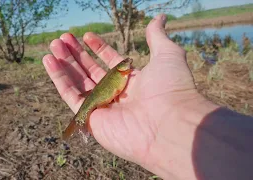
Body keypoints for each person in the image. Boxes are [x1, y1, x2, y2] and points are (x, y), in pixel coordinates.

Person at [42, 14, 253, 180]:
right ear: (121, 68)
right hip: (99, 98)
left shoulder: (123, 73)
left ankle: (81, 120)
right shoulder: (119, 73)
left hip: (105, 99)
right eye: (125, 62)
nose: (129, 62)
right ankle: (80, 121)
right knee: (86, 109)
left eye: (126, 62)